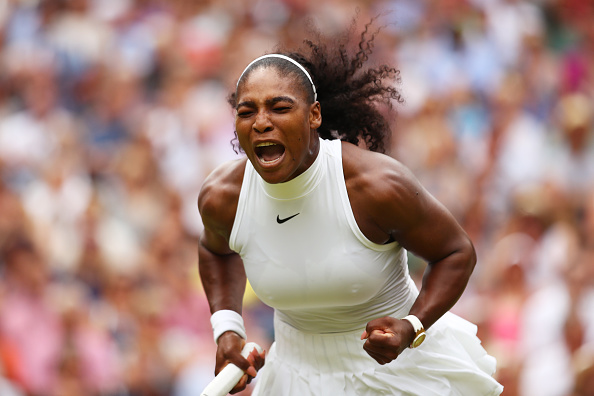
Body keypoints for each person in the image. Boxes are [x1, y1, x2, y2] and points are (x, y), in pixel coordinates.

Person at [198, 20, 504, 395]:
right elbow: (215, 249)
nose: (261, 123)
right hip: (295, 378)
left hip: (400, 372)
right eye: (247, 112)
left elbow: (457, 252)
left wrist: (411, 327)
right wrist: (227, 328)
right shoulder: (223, 196)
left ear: (314, 116)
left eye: (279, 108)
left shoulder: (375, 186)